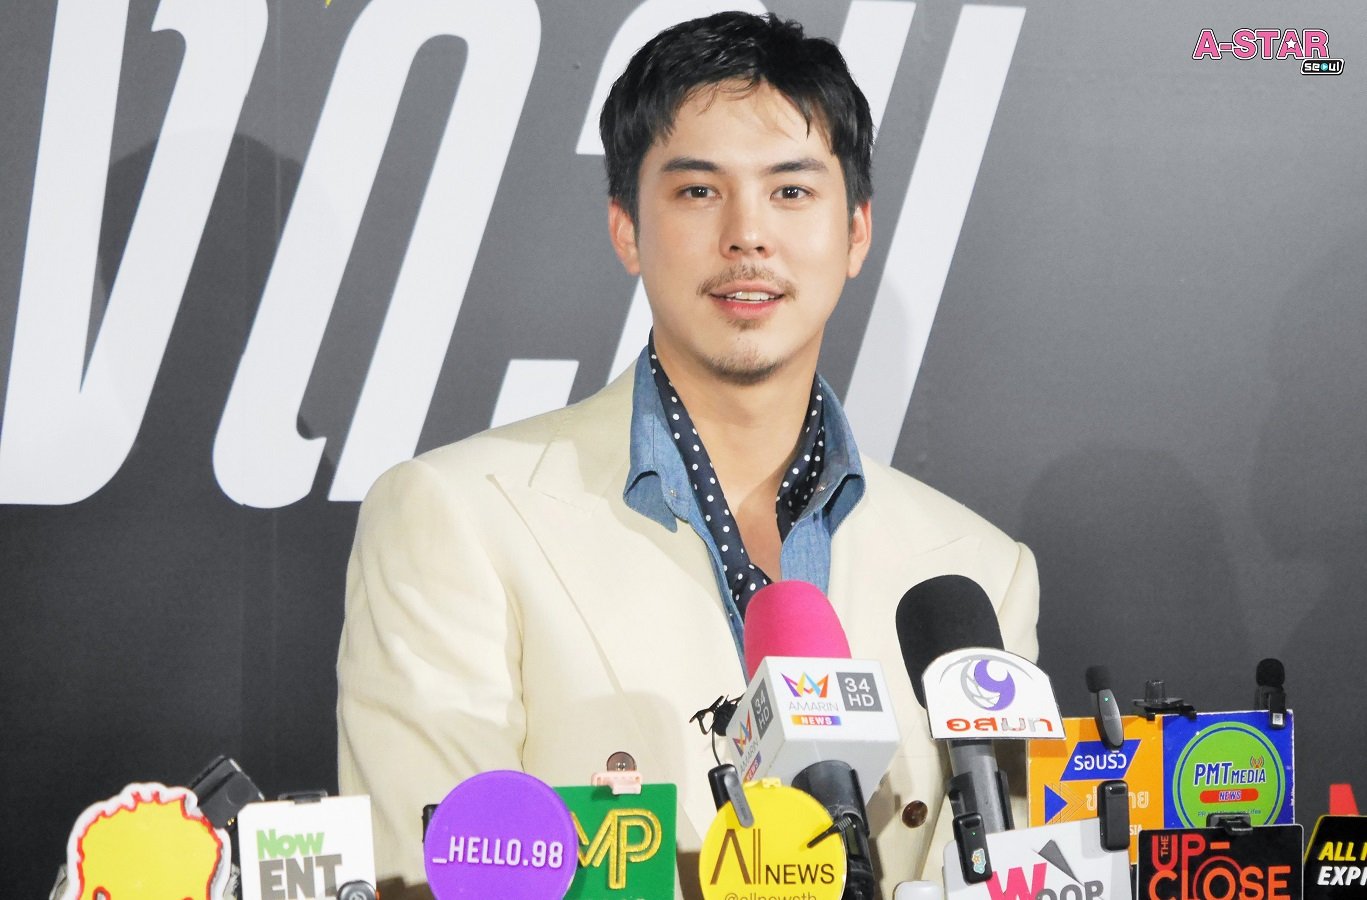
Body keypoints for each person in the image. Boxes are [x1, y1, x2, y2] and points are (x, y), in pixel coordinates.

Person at [337, 11, 1038, 897]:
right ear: (627, 229)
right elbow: (435, 874)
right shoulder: (455, 518)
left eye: (791, 192)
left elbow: (997, 866)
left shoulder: (978, 574)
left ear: (856, 231)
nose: (747, 235)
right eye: (699, 191)